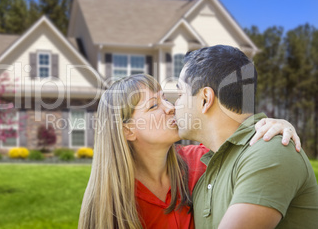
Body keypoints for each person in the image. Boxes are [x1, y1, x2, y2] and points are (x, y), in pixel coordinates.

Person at [78, 74, 300, 229]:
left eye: (165, 98)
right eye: (154, 106)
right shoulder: (114, 202)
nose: (170, 107)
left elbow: (242, 143)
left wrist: (274, 125)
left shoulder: (201, 160)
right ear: (128, 131)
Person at [175, 45, 318, 229]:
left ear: (205, 99)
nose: (174, 106)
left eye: (180, 94)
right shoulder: (207, 174)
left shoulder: (269, 149)